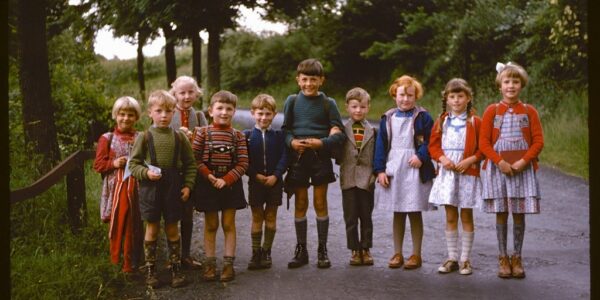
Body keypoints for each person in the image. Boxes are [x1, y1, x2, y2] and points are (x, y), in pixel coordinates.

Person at [479, 62, 543, 279]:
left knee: (518, 211)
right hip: (498, 170)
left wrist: (523, 162)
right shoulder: (492, 111)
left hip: (522, 170)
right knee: (501, 211)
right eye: (507, 81)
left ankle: (517, 256)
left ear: (521, 85)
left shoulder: (529, 111)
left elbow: (538, 141)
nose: (511, 85)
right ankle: (502, 257)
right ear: (500, 86)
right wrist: (500, 162)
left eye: (515, 81)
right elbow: (484, 143)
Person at [129, 90, 197, 288]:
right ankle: (151, 269)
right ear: (150, 112)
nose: (164, 115)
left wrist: (188, 186)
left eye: (168, 111)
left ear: (174, 112)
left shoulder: (180, 137)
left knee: (172, 227)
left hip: (173, 186)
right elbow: (133, 165)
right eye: (159, 111)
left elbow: (191, 165)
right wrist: (145, 173)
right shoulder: (144, 137)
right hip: (151, 188)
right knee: (152, 227)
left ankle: (175, 268)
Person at [282, 58, 345, 269]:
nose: (309, 84)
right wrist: (292, 142)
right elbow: (285, 130)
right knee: (300, 203)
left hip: (320, 158)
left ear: (321, 81)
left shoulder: (329, 103)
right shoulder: (291, 101)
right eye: (305, 79)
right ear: (298, 80)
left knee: (320, 203)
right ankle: (301, 250)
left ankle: (322, 249)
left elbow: (338, 133)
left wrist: (321, 143)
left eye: (313, 80)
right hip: (298, 158)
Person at [373, 75, 436, 270]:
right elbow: (381, 145)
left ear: (416, 96)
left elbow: (431, 141)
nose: (405, 99)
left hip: (414, 168)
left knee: (414, 211)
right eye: (402, 95)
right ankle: (397, 252)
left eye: (410, 95)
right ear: (395, 95)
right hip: (395, 167)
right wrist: (380, 170)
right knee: (398, 212)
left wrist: (421, 156)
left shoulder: (423, 116)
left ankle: (416, 254)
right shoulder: (388, 117)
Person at [192, 90, 249, 282]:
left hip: (230, 184)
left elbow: (243, 163)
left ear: (234, 111)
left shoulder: (238, 136)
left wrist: (227, 179)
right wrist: (209, 176)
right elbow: (195, 158)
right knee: (211, 224)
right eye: (220, 108)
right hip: (208, 183)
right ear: (210, 110)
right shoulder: (202, 133)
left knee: (228, 223)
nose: (224, 112)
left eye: (229, 109)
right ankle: (209, 264)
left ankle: (228, 264)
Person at [428, 79, 483, 275]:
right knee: (450, 216)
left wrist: (470, 161)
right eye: (452, 97)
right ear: (447, 99)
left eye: (460, 96)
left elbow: (483, 148)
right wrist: (443, 159)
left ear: (468, 98)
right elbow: (433, 146)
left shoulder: (475, 122)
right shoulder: (442, 120)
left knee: (466, 215)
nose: (457, 100)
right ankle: (452, 257)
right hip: (448, 174)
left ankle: (465, 259)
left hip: (467, 174)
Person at [93, 96, 144, 276]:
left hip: (136, 186)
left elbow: (147, 161)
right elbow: (98, 165)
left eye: (130, 115)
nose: (126, 118)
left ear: (136, 117)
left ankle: (133, 260)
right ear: (115, 115)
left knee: (134, 222)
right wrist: (114, 163)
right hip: (116, 187)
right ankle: (116, 259)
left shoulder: (140, 137)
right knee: (118, 222)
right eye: (122, 114)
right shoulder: (107, 138)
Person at [243, 94, 288, 270]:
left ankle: (266, 250)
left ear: (274, 115)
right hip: (256, 182)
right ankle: (255, 253)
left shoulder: (278, 136)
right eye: (260, 113)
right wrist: (255, 175)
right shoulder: (246, 136)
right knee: (256, 216)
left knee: (270, 215)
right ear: (253, 113)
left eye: (268, 114)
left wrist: (276, 175)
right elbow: (243, 159)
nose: (264, 117)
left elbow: (285, 157)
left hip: (275, 182)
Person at [169, 75, 207, 270]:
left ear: (197, 93)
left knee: (187, 214)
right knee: (170, 214)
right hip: (171, 172)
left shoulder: (199, 116)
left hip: (191, 172)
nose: (186, 96)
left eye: (190, 92)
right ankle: (172, 256)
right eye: (181, 92)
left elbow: (208, 139)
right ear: (174, 94)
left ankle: (185, 255)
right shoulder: (167, 113)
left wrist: (197, 136)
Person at [336, 87, 377, 266]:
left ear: (368, 107)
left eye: (362, 107)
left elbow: (377, 155)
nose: (358, 110)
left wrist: (375, 175)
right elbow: (336, 154)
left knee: (366, 216)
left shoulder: (374, 131)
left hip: (367, 179)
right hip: (349, 179)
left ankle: (366, 249)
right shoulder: (341, 131)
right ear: (347, 108)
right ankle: (354, 249)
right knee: (350, 217)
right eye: (354, 107)